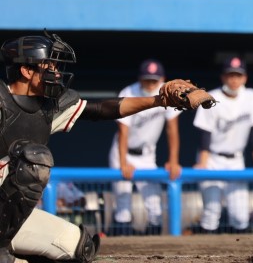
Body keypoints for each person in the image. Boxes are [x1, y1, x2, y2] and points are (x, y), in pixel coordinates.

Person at [0, 32, 201, 263]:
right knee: (34, 161)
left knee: (79, 247)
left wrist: (158, 101)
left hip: (6, 220)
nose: (55, 72)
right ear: (26, 71)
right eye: (49, 65)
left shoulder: (47, 107)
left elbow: (101, 109)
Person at [192, 55, 253, 234]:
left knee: (240, 215)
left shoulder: (251, 96)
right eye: (230, 75)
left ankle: (238, 250)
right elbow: (205, 133)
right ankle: (204, 250)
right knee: (211, 212)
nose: (234, 79)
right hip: (212, 159)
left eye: (238, 75)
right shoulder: (210, 97)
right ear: (223, 77)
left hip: (236, 160)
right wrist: (203, 162)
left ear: (245, 78)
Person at [108, 59, 180, 236]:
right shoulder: (129, 92)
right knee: (123, 204)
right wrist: (123, 162)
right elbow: (123, 131)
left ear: (162, 79)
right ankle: (123, 245)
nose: (150, 84)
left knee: (155, 207)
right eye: (147, 79)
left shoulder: (169, 93)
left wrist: (173, 160)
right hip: (123, 152)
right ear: (140, 79)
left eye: (154, 80)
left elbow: (172, 129)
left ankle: (151, 249)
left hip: (147, 155)